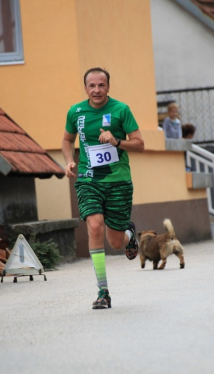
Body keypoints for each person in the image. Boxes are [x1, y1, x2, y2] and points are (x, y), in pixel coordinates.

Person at [62, 67, 145, 310]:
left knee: (116, 242)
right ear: (85, 88)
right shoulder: (75, 112)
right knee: (95, 225)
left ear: (108, 87)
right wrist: (68, 160)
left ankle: (128, 234)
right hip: (89, 180)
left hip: (119, 181)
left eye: (101, 85)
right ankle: (103, 292)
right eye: (92, 86)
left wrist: (116, 141)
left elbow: (140, 144)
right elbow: (67, 140)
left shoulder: (121, 110)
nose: (97, 90)